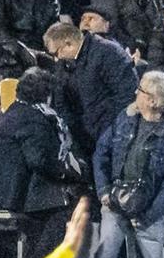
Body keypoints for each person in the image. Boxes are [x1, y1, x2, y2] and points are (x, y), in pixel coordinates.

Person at [0, 67, 86, 258]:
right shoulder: (33, 118)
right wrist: (68, 173)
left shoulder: (16, 110)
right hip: (13, 190)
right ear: (47, 96)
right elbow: (38, 160)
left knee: (59, 198)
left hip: (6, 186)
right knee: (64, 210)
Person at [91, 69, 164, 258]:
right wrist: (103, 192)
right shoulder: (124, 118)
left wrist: (149, 215)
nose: (136, 93)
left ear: (153, 101)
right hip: (114, 204)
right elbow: (101, 153)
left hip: (150, 215)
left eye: (140, 90)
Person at [47, 20, 140, 156]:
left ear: (68, 44)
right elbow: (60, 99)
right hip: (83, 138)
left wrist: (106, 131)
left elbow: (126, 95)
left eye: (56, 53)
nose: (56, 59)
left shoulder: (108, 52)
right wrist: (74, 129)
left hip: (111, 136)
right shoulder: (64, 64)